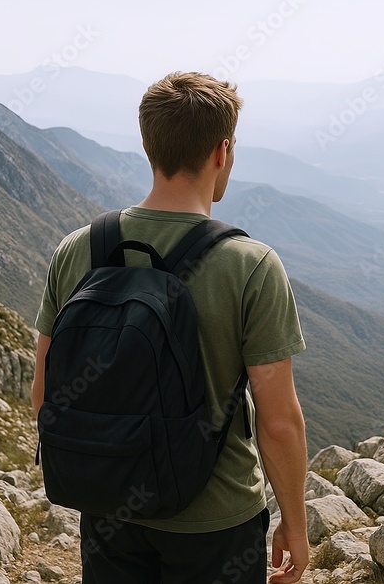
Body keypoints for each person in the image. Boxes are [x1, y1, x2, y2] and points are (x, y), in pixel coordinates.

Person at [32, 72, 309, 584]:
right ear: (222, 152)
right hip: (217, 523)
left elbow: (45, 393)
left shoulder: (78, 251)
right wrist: (295, 524)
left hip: (109, 513)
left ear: (146, 145)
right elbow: (278, 423)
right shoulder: (250, 265)